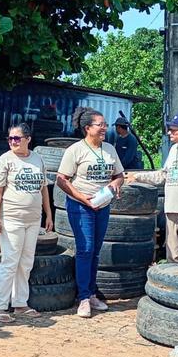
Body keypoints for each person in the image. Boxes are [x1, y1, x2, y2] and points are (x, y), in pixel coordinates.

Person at [55, 107, 124, 318]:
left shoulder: (110, 149)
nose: (104, 128)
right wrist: (82, 198)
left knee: (95, 250)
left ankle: (92, 293)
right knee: (84, 249)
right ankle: (83, 298)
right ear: (87, 128)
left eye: (104, 125)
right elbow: (61, 179)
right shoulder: (75, 150)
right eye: (100, 124)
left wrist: (115, 186)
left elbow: (119, 175)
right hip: (81, 205)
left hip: (102, 206)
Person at [0, 123, 54, 323]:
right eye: (10, 139)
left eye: (16, 138)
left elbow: (43, 189)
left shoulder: (37, 159)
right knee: (10, 261)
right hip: (12, 219)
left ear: (28, 139)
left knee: (26, 262)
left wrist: (48, 214)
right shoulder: (4, 161)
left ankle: (20, 303)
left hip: (33, 220)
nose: (13, 142)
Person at [126, 113, 178, 264]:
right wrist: (137, 176)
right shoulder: (174, 150)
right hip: (171, 210)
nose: (169, 133)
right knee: (174, 255)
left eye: (172, 130)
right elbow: (163, 175)